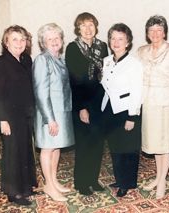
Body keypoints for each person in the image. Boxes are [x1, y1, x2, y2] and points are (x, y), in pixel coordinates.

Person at [137, 15, 169, 199]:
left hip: (165, 102)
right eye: (151, 30)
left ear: (164, 32)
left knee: (164, 144)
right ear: (147, 33)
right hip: (147, 103)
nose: (155, 33)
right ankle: (158, 177)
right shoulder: (141, 51)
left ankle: (162, 180)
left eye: (159, 30)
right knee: (155, 143)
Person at [0, 25, 37, 206]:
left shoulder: (27, 60)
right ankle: (13, 193)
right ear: (6, 42)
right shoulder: (0, 62)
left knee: (25, 150)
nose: (19, 43)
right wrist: (2, 119)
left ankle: (25, 186)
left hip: (26, 115)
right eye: (14, 39)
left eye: (22, 39)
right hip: (10, 116)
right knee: (13, 153)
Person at [65, 12, 108, 195]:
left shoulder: (103, 46)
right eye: (84, 25)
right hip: (82, 102)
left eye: (91, 25)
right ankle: (81, 182)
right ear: (78, 28)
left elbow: (106, 75)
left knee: (97, 143)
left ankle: (93, 179)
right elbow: (74, 80)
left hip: (99, 102)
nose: (88, 29)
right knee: (84, 143)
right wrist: (82, 107)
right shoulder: (73, 48)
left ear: (96, 27)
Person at [33, 23, 74, 202]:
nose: (54, 41)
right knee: (48, 148)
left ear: (62, 40)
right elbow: (41, 92)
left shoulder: (61, 59)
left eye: (57, 37)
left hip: (61, 112)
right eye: (49, 39)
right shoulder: (42, 60)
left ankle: (54, 181)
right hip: (49, 114)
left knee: (56, 147)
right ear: (43, 43)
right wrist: (50, 119)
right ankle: (49, 185)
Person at [101, 23, 143, 197]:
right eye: (113, 38)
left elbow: (137, 91)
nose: (116, 42)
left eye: (120, 39)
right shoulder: (107, 61)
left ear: (128, 42)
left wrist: (132, 116)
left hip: (127, 111)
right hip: (109, 109)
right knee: (115, 147)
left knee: (128, 148)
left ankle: (127, 182)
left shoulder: (134, 63)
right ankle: (119, 178)